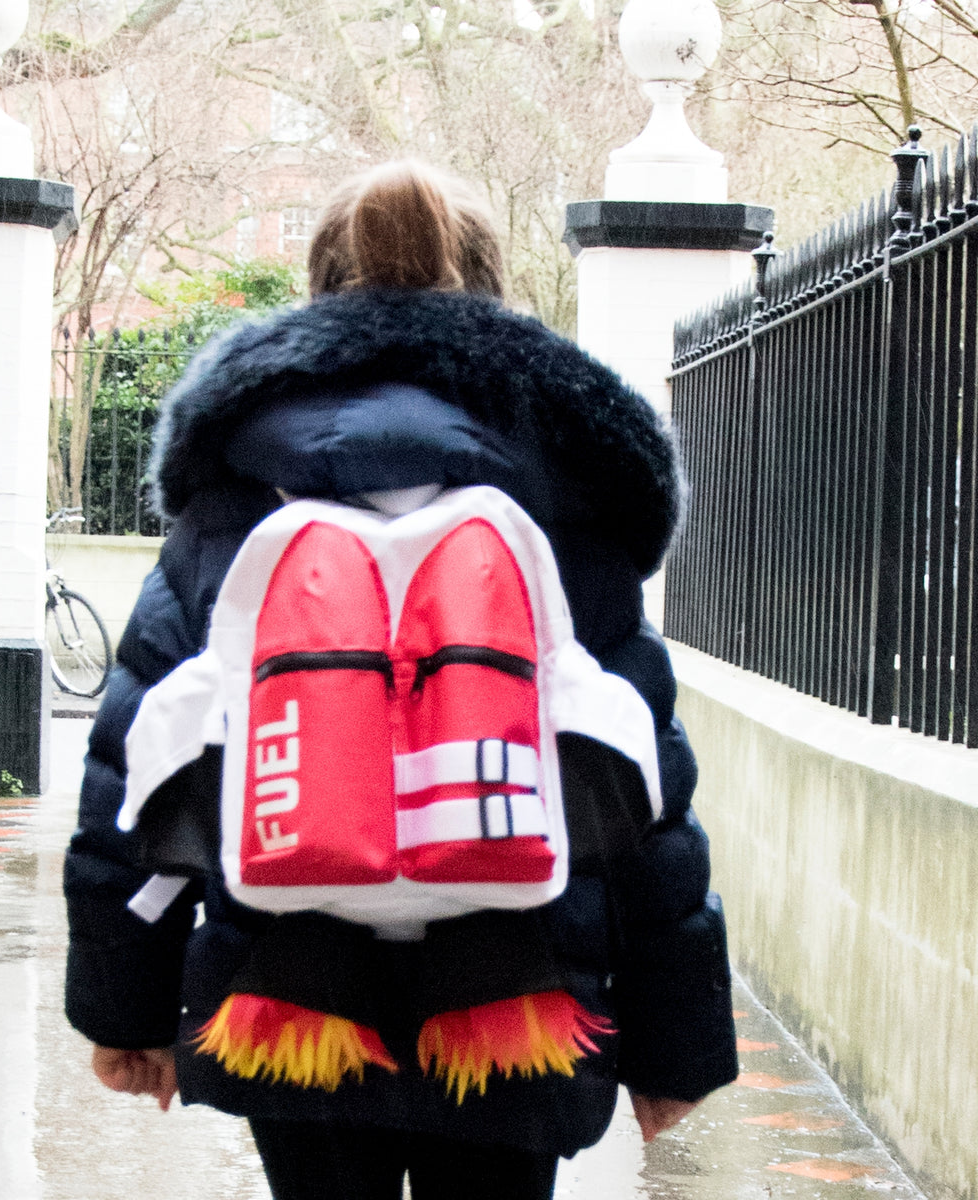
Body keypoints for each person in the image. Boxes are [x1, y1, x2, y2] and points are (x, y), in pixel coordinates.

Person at [64, 160, 738, 1200]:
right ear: (491, 287)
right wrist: (673, 1046)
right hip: (519, 999)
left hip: (289, 995)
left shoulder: (234, 494)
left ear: (318, 288)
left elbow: (134, 769)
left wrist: (126, 1011)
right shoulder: (569, 487)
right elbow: (644, 792)